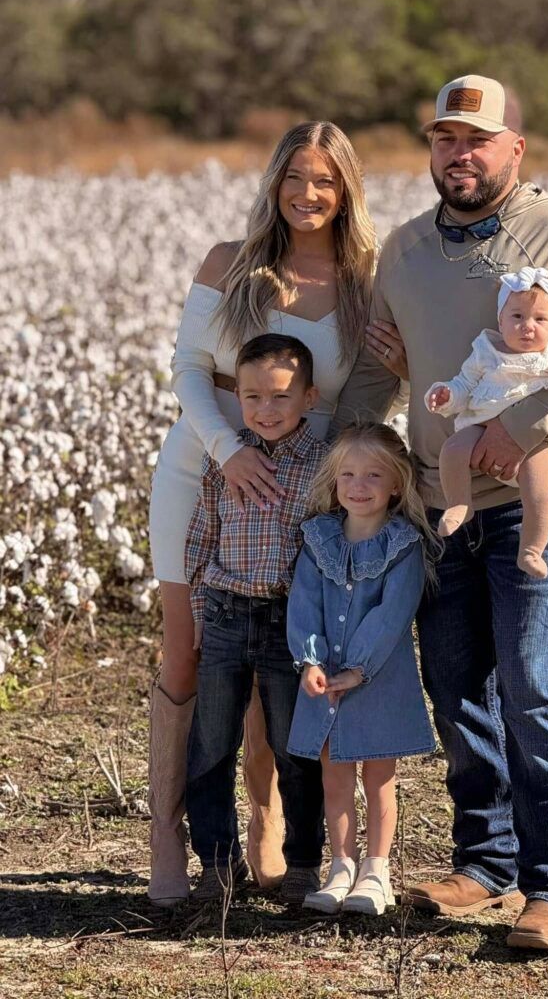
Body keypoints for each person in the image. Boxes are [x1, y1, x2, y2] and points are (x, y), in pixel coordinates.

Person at [331, 74, 548, 950]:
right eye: (443, 140)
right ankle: (486, 862)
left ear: (514, 149)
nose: (458, 155)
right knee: (455, 684)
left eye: (476, 140)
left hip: (540, 498)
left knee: (532, 683)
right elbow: (377, 368)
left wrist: (522, 423)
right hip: (438, 500)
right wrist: (334, 452)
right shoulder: (405, 250)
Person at [147, 121, 381, 906]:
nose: (307, 195)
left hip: (301, 492)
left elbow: (370, 398)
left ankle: (267, 829)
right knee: (190, 655)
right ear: (275, 182)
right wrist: (227, 451)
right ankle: (170, 842)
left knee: (285, 666)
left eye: (324, 181)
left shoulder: (365, 282)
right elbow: (186, 368)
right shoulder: (230, 263)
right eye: (294, 178)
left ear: (345, 189)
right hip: (202, 469)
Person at [184, 333, 327, 901]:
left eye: (279, 397)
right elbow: (201, 537)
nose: (265, 410)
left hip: (288, 622)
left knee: (295, 751)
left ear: (310, 398)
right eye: (252, 397)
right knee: (211, 746)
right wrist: (198, 614)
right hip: (223, 613)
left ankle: (302, 864)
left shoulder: (323, 466)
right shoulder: (227, 459)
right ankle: (217, 864)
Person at [285, 423, 440, 915]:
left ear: (397, 484)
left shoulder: (403, 544)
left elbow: (391, 615)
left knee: (378, 780)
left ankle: (377, 871)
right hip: (326, 680)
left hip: (376, 683)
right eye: (348, 474)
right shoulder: (318, 538)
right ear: (334, 483)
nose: (359, 485)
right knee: (335, 781)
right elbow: (303, 602)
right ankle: (341, 867)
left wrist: (358, 668)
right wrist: (309, 658)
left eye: (373, 474)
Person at [426, 266, 548, 579]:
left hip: (533, 437)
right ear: (501, 320)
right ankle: (459, 503)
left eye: (540, 319)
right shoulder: (486, 349)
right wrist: (446, 394)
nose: (527, 327)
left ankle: (532, 548)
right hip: (480, 422)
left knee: (544, 484)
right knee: (452, 449)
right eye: (517, 317)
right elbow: (464, 384)